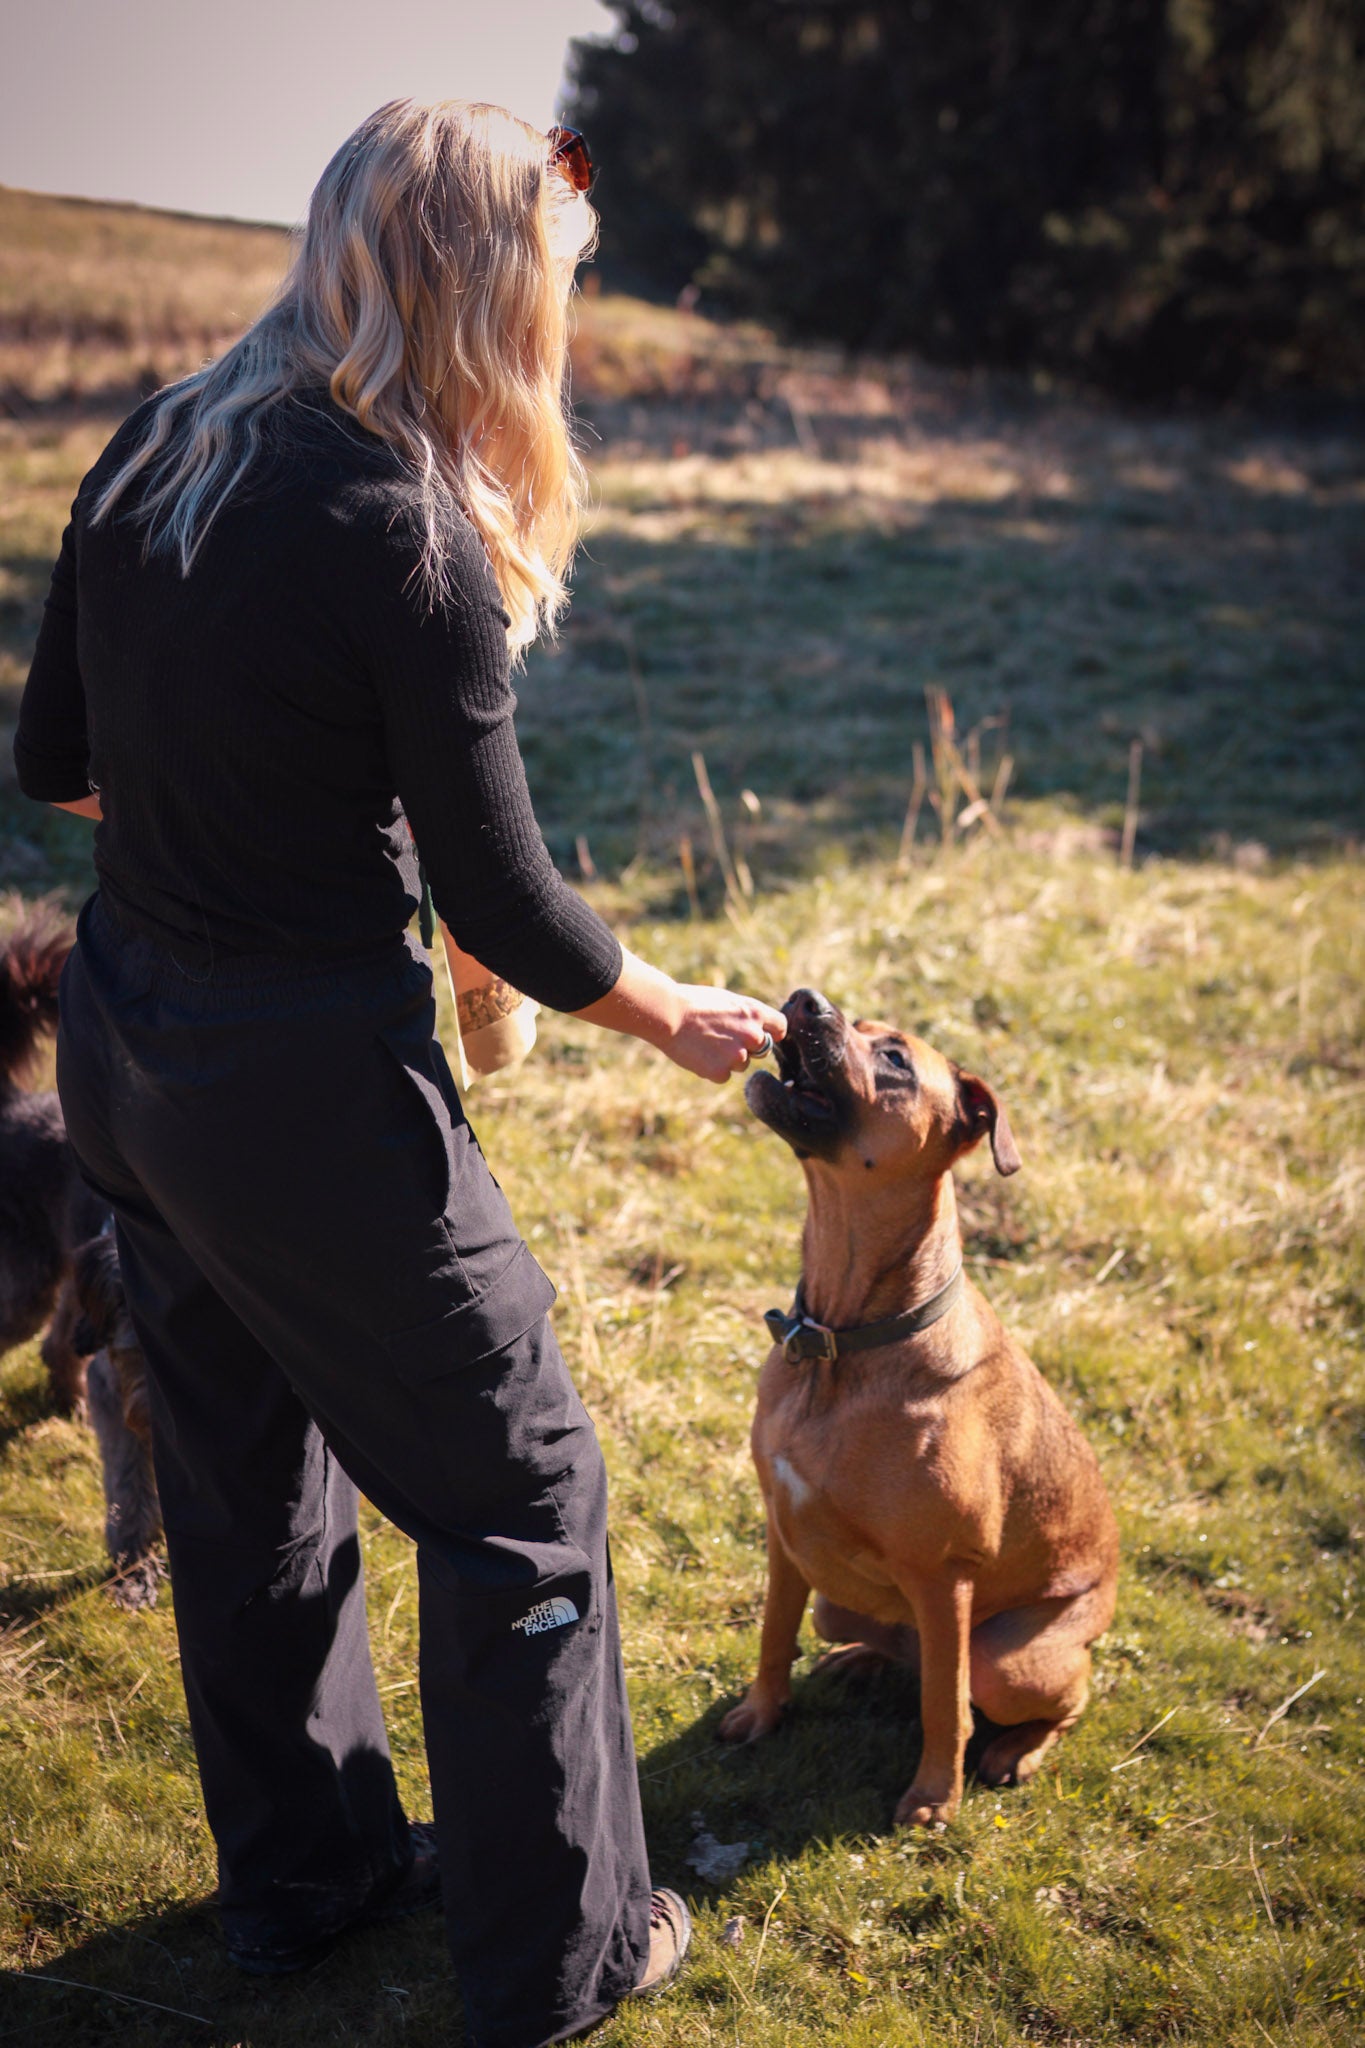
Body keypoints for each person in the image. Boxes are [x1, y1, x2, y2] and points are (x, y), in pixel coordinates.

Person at [13, 99, 786, 2048]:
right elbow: (504, 900)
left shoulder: (157, 442)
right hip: (302, 1099)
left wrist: (224, 810)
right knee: (520, 1482)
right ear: (486, 289)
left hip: (129, 1054)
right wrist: (676, 1011)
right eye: (553, 287)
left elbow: (55, 769)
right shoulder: (402, 531)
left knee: (245, 1474)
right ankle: (565, 1957)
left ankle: (306, 1884)